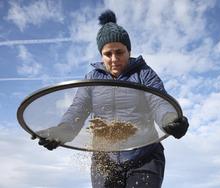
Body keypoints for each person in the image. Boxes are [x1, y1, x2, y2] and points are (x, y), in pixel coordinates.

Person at [32, 10, 189, 188]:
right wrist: (62, 132)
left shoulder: (144, 74)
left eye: (119, 52)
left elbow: (159, 102)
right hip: (104, 159)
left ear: (129, 51)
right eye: (108, 54)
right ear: (101, 55)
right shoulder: (92, 79)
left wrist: (170, 120)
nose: (114, 59)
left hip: (144, 156)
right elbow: (77, 110)